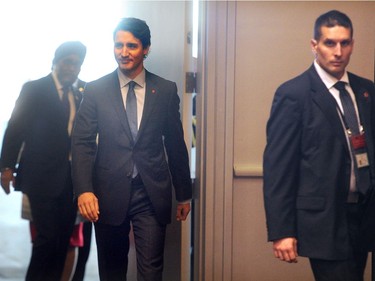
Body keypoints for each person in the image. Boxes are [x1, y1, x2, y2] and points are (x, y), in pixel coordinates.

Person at [71, 17, 192, 281]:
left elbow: (175, 143)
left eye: (132, 46)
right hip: (107, 193)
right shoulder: (95, 90)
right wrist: (84, 190)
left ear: (146, 49)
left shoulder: (165, 90)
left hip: (150, 194)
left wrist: (183, 194)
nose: (123, 52)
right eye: (118, 45)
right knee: (112, 271)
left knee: (151, 272)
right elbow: (82, 142)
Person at [263, 10, 375, 281]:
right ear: (314, 45)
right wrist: (282, 231)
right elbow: (279, 168)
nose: (338, 52)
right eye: (329, 43)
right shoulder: (294, 94)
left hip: (364, 215)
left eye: (344, 43)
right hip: (324, 220)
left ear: (352, 45)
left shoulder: (366, 90)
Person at [0, 41, 87, 281]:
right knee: (46, 238)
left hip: (70, 181)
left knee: (62, 239)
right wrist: (6, 167)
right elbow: (15, 129)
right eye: (68, 62)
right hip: (39, 177)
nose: (72, 68)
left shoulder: (83, 92)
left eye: (77, 64)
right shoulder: (34, 89)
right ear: (56, 62)